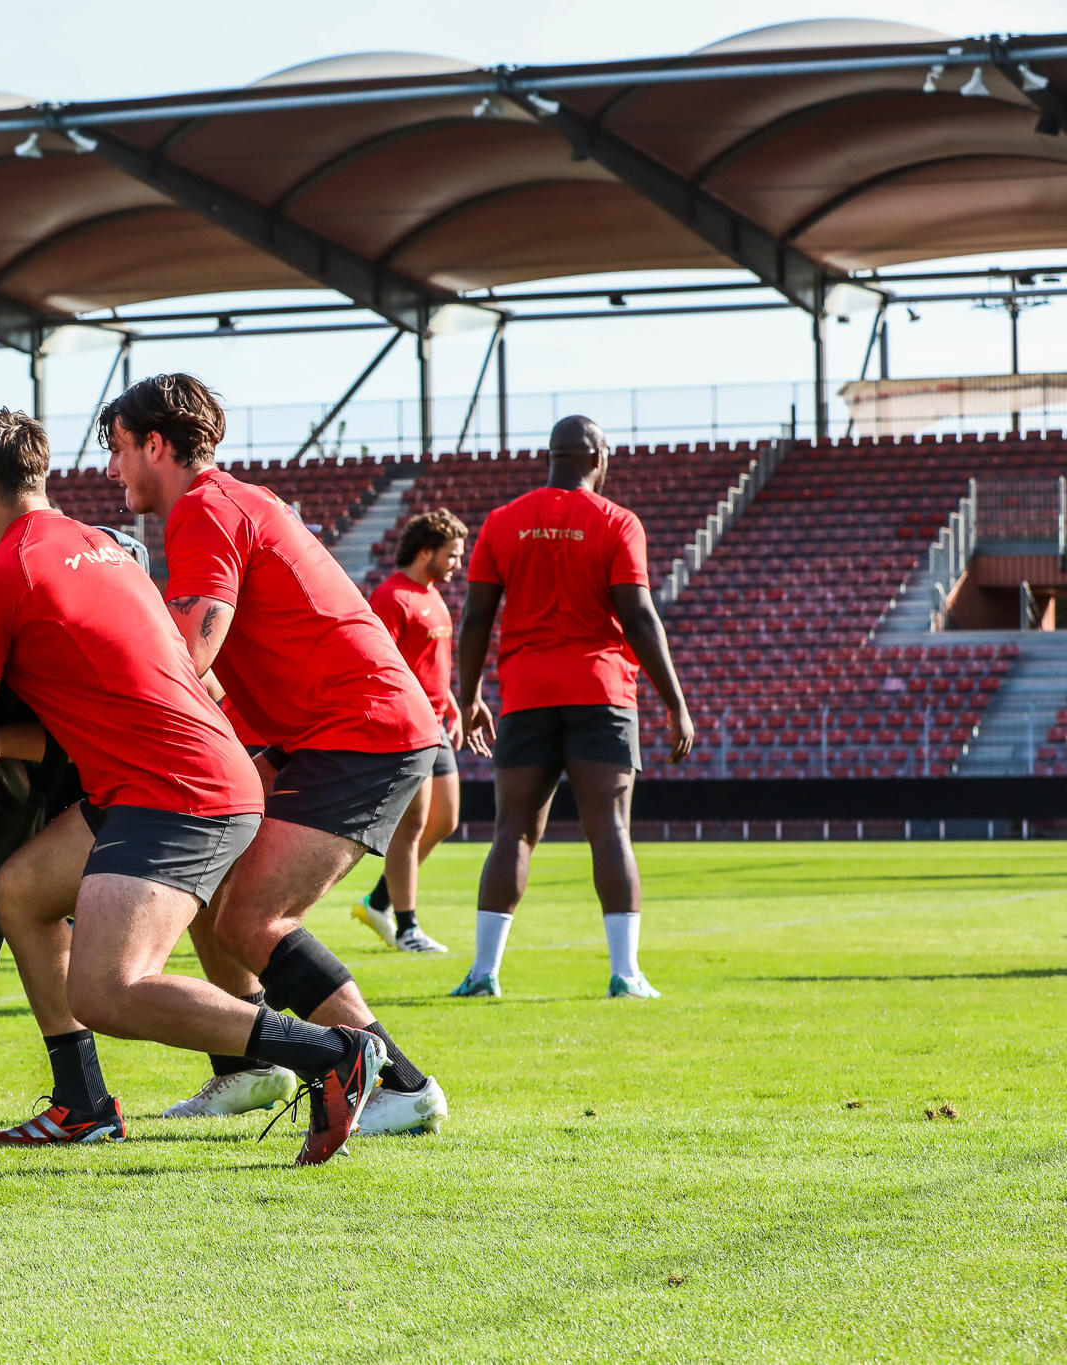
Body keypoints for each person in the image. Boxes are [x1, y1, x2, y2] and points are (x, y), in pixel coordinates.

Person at [0, 407, 385, 1167]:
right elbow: (120, 691)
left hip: (173, 788)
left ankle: (334, 1052)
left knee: (107, 989)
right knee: (23, 891)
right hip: (188, 771)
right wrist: (8, 739)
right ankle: (83, 1105)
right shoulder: (106, 549)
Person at [101, 374, 447, 1138]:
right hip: (328, 730)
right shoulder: (227, 502)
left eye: (118, 448)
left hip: (361, 729)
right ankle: (251, 1067)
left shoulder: (202, 508)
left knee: (254, 917)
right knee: (211, 876)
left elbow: (190, 649)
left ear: (155, 444)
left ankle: (399, 1080)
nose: (113, 468)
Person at [452, 415, 696, 1000]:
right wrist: (675, 702)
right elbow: (637, 615)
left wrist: (469, 697)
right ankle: (626, 974)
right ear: (595, 456)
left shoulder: (503, 522)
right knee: (609, 828)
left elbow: (477, 618)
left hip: (526, 694)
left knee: (512, 829)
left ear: (552, 455)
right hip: (601, 691)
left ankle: (484, 973)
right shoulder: (616, 522)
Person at [355, 509, 473, 955]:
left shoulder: (432, 594)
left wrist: (456, 707)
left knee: (445, 820)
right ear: (427, 553)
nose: (456, 564)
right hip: (408, 724)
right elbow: (380, 665)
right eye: (452, 555)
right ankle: (407, 927)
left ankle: (378, 901)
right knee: (412, 825)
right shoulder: (392, 598)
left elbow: (432, 664)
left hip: (439, 721)